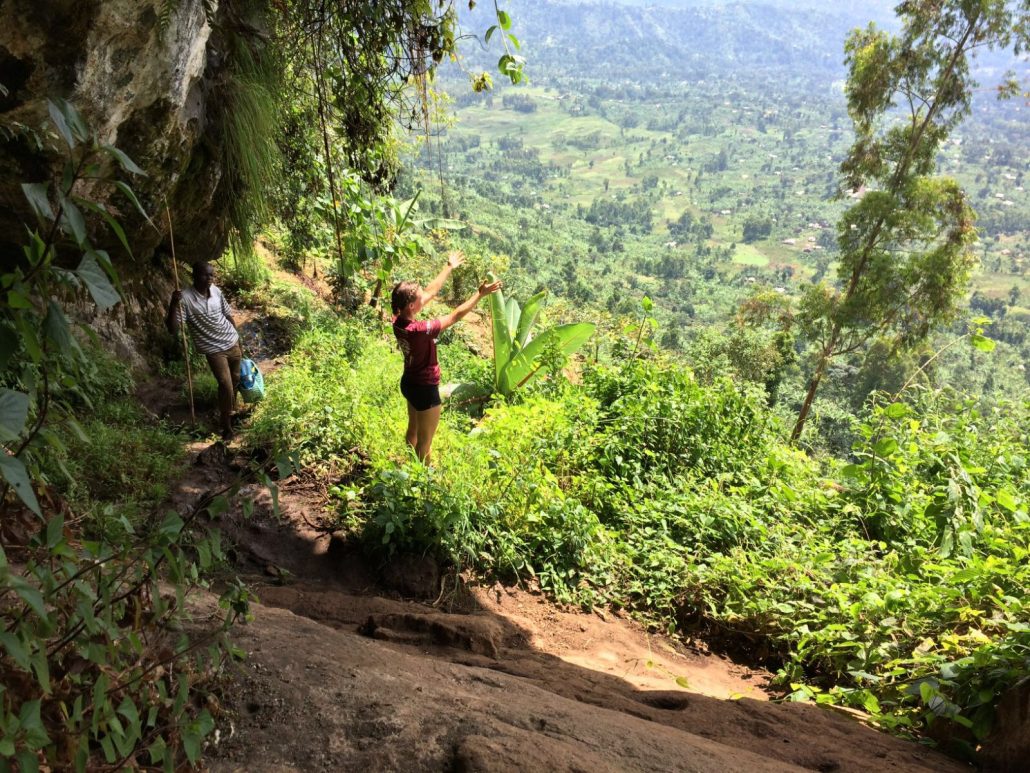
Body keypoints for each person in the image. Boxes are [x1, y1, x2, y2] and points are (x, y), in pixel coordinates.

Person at [391, 251, 501, 465]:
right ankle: (424, 481)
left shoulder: (398, 321)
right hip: (425, 388)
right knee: (425, 442)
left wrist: (449, 267)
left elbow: (430, 292)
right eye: (420, 297)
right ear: (412, 306)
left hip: (409, 383)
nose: (426, 297)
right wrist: (480, 294)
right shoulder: (419, 330)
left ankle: (408, 467)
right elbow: (454, 316)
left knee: (412, 431)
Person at [166, 261, 242, 441]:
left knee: (236, 380)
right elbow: (173, 329)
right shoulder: (184, 298)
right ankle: (226, 425)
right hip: (213, 349)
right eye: (204, 275)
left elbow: (227, 314)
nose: (208, 279)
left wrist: (239, 338)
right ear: (194, 276)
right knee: (225, 384)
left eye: (211, 275)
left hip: (232, 341)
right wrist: (173, 304)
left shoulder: (216, 291)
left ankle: (229, 412)